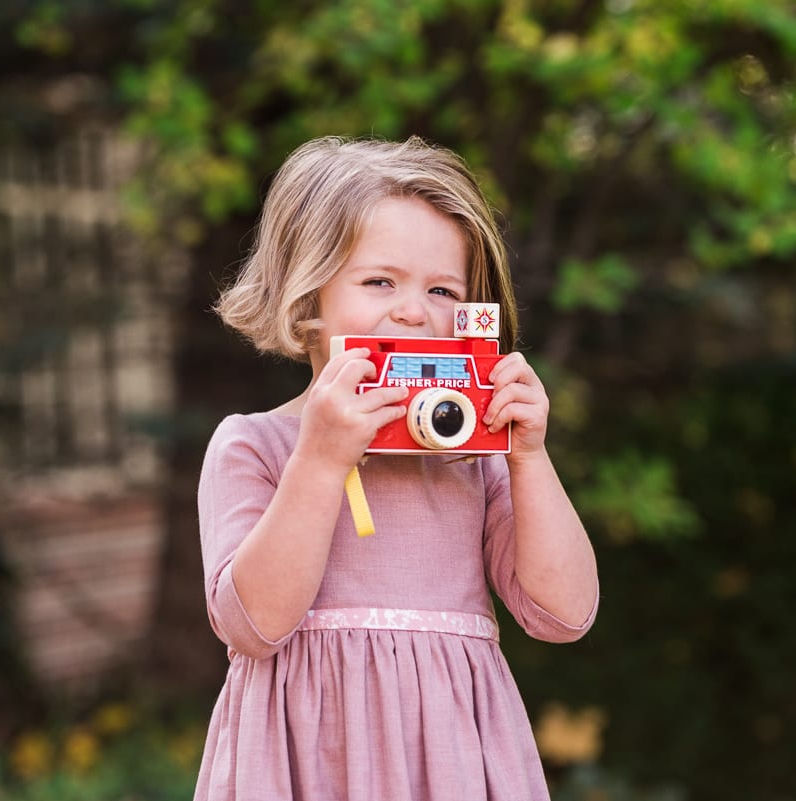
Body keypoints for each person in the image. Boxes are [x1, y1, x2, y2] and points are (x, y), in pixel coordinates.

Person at [193, 135, 599, 801]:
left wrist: (528, 456)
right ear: (308, 295)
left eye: (443, 289)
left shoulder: (476, 461)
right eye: (380, 280)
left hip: (450, 767)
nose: (414, 309)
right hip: (307, 764)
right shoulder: (255, 446)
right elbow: (254, 624)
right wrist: (320, 462)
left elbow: (565, 613)